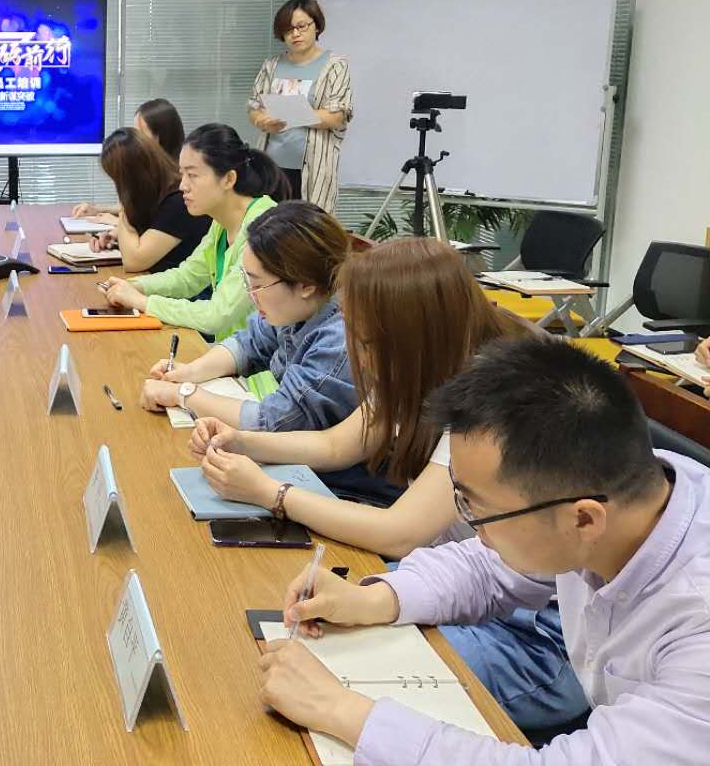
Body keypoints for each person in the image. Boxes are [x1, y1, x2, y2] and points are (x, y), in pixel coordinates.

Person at [190, 238, 587, 733]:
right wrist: (246, 442)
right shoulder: (418, 365)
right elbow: (338, 444)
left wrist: (273, 495)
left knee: (327, 671)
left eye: (363, 341)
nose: (355, 354)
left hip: (536, 637)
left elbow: (401, 533)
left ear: (411, 336)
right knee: (298, 628)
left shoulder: (494, 405)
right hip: (464, 584)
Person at [259, 338, 710, 763]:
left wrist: (339, 710)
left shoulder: (697, 620)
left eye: (477, 508)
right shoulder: (620, 497)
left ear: (584, 520)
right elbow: (489, 566)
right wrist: (373, 598)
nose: (472, 525)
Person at [138, 202, 393, 505]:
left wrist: (184, 394)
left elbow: (275, 421)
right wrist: (188, 372)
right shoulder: (299, 306)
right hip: (301, 467)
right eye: (246, 280)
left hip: (345, 490)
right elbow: (249, 342)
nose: (250, 295)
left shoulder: (340, 338)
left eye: (257, 284)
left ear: (305, 285)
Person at [100, 124, 286, 347]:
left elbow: (215, 316)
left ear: (228, 179)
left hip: (262, 364)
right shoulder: (221, 223)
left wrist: (142, 301)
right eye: (182, 175)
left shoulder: (263, 226)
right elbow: (187, 277)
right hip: (231, 353)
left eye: (192, 175)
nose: (182, 186)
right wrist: (133, 285)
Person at [248, 0, 351, 211]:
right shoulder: (271, 66)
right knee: (268, 223)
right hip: (272, 167)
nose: (295, 34)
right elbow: (255, 107)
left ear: (316, 26)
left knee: (308, 224)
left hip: (313, 168)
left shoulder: (334, 66)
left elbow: (337, 116)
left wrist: (292, 114)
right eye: (288, 29)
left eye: (302, 26)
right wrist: (262, 122)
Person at [85, 127, 208, 274]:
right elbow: (147, 230)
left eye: (118, 180)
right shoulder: (158, 191)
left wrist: (125, 207)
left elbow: (133, 262)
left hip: (179, 286)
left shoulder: (179, 201)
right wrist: (114, 237)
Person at [73, 98, 186, 222]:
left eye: (140, 133)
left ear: (161, 136)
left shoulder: (180, 181)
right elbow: (136, 208)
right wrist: (97, 209)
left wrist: (117, 223)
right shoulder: (148, 168)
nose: (134, 140)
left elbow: (156, 223)